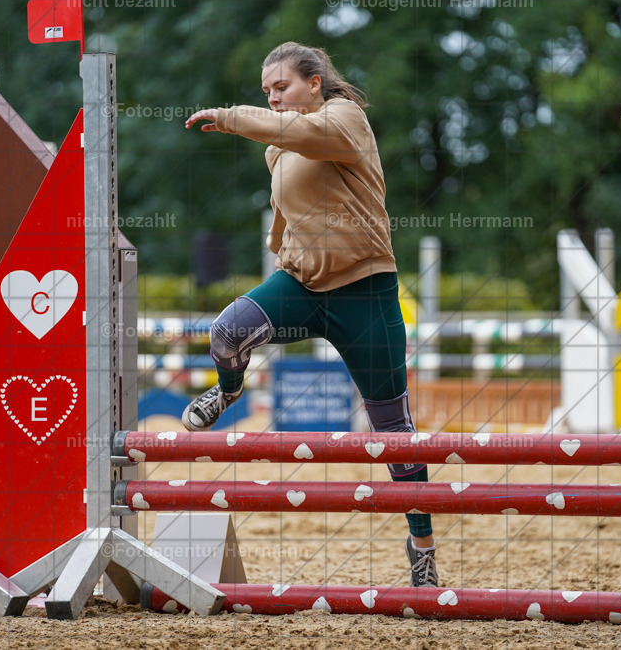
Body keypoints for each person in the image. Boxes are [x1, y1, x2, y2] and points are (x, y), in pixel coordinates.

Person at [183, 41, 438, 588]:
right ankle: (229, 390)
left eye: (282, 88)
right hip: (302, 285)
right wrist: (282, 249)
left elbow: (292, 133)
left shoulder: (345, 120)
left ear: (315, 82)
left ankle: (422, 548)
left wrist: (230, 117)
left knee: (394, 429)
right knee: (227, 332)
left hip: (365, 291)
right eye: (266, 92)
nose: (274, 100)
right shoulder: (277, 149)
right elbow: (284, 208)